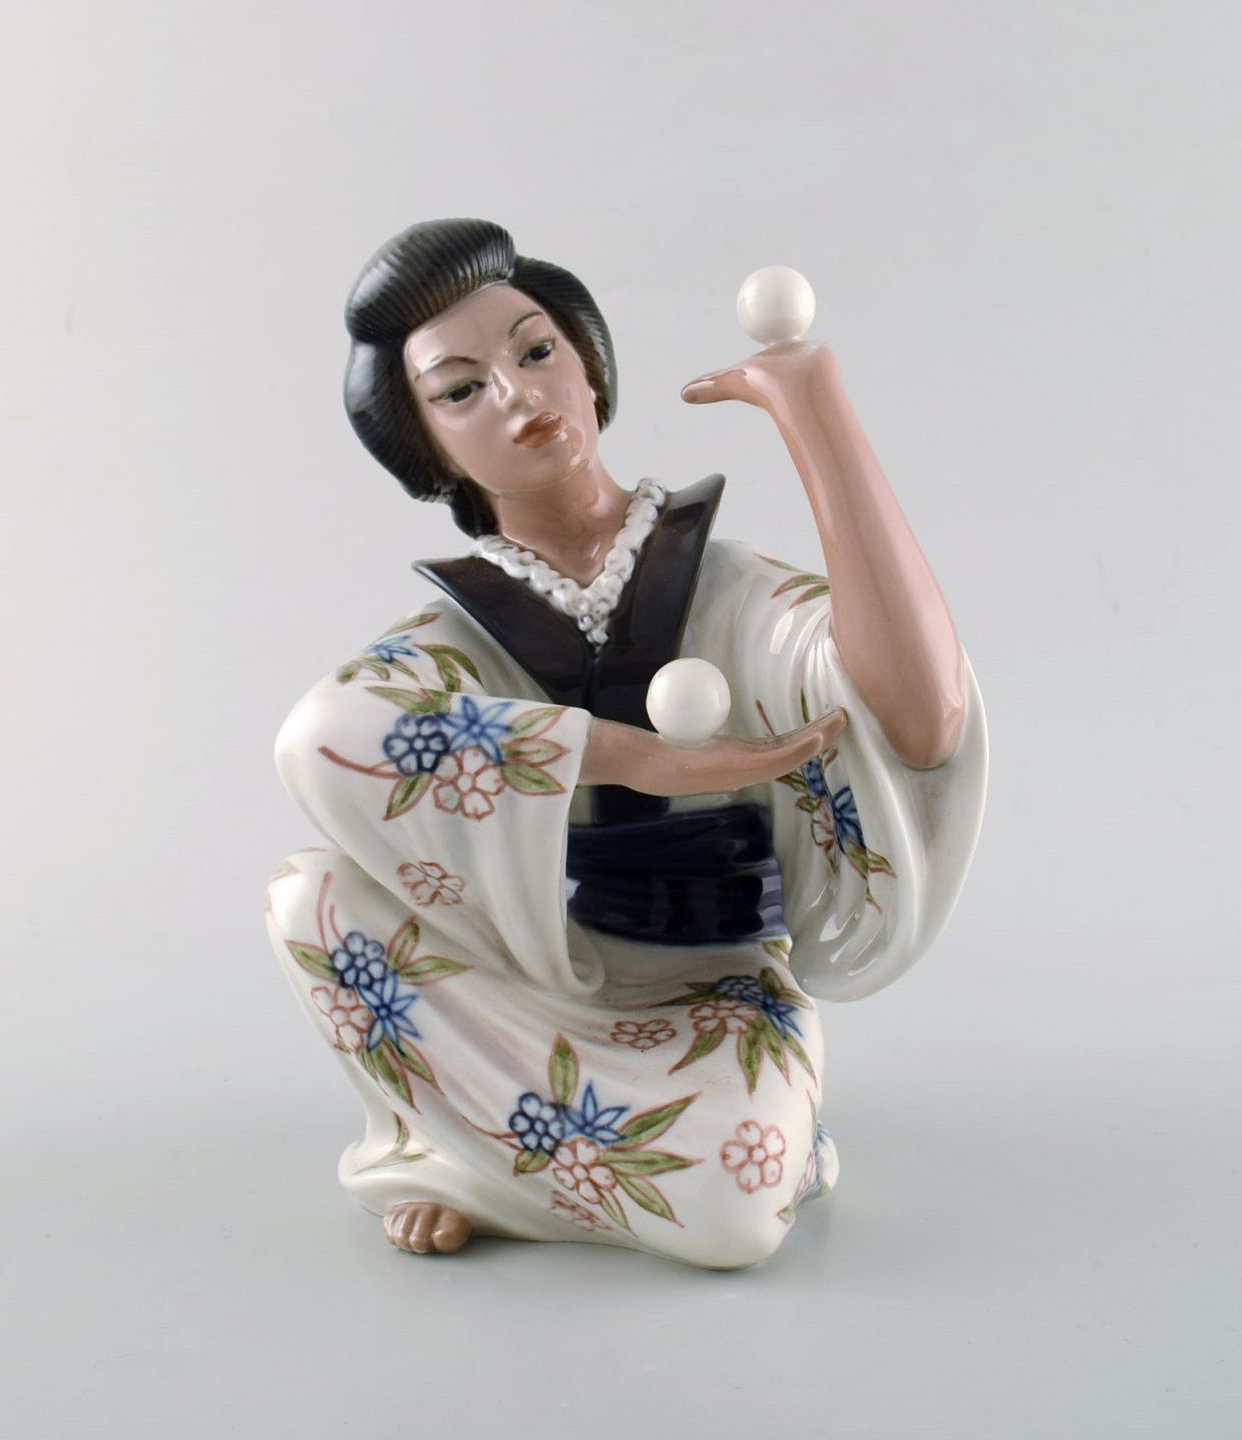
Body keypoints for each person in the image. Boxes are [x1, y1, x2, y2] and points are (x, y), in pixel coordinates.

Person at [264, 219, 987, 1268]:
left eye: (535, 350)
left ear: (589, 364)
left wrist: (813, 413)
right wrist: (624, 755)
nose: (516, 393)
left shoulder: (729, 591)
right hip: (539, 984)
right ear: (425, 447)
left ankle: (551, 1166)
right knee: (308, 897)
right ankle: (451, 1152)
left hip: (712, 986)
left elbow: (920, 714)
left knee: (733, 1220)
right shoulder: (460, 635)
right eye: (460, 390)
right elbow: (323, 736)